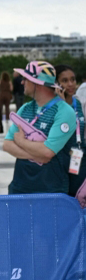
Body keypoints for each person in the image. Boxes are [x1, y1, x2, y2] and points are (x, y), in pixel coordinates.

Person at [3, 61, 76, 194]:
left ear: (37, 83)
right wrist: (38, 155)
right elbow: (7, 144)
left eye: (26, 79)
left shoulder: (64, 111)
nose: (22, 82)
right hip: (20, 187)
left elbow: (48, 151)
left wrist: (21, 142)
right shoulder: (25, 108)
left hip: (50, 190)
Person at [55, 65, 86, 197]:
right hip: (61, 159)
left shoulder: (79, 103)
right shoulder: (53, 106)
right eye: (65, 80)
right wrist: (62, 106)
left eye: (73, 79)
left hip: (79, 157)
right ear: (56, 84)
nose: (70, 84)